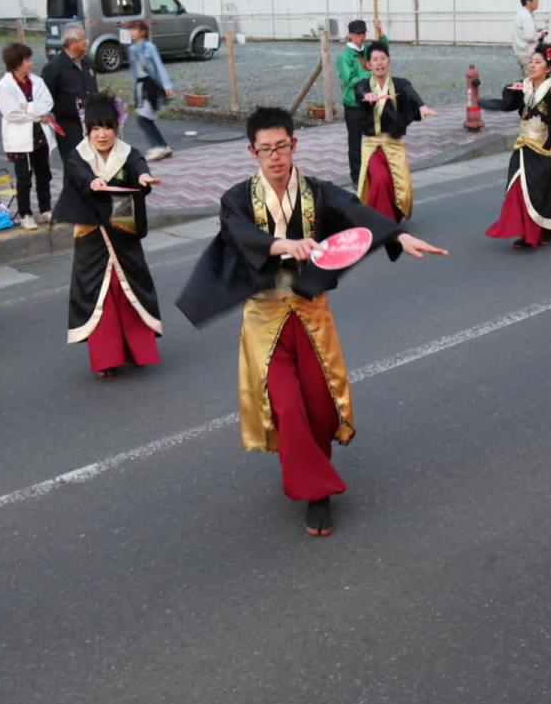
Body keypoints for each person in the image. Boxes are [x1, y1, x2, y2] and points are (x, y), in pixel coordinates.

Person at [175, 107, 447, 538]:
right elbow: (240, 235)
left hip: (311, 311)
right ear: (252, 152)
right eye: (266, 150)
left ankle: (314, 470)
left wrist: (397, 235)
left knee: (320, 405)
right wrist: (282, 243)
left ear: (294, 145)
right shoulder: (236, 199)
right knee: (287, 406)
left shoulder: (317, 192)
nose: (275, 157)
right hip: (265, 318)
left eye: (282, 146)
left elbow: (355, 212)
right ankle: (316, 493)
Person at [53, 92, 163, 378]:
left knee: (129, 287)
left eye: (108, 127)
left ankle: (138, 351)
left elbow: (138, 165)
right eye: (96, 128)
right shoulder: (78, 156)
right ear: (87, 130)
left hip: (122, 221)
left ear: (117, 127)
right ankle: (107, 357)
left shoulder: (127, 153)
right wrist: (93, 181)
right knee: (99, 290)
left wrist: (142, 177)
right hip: (91, 229)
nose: (102, 135)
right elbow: (79, 176)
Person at [485, 42, 551, 250]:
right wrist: (512, 91)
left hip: (542, 147)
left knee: (540, 191)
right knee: (517, 185)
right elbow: (508, 104)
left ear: (548, 68)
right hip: (523, 144)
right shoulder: (525, 84)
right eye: (531, 61)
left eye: (538, 62)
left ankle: (545, 229)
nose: (532, 65)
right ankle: (525, 232)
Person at [353, 41, 435, 223]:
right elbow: (360, 92)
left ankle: (392, 215)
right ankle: (381, 222)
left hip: (394, 144)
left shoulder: (400, 85)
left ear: (390, 61)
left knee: (402, 190)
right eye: (375, 59)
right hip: (372, 145)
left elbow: (410, 92)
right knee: (380, 179)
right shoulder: (363, 85)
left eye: (383, 58)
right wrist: (367, 97)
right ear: (368, 65)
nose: (379, 63)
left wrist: (421, 106)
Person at [0, 42, 56, 232]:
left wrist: (28, 108)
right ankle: (25, 214)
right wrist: (37, 115)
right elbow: (11, 112)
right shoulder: (5, 85)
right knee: (24, 178)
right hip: (20, 140)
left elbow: (48, 103)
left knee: (44, 174)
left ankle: (45, 209)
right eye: (27, 60)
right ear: (16, 64)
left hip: (39, 136)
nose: (30, 63)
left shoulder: (36, 81)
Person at [41, 23, 98, 172]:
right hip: (69, 126)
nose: (86, 41)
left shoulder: (88, 63)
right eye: (82, 38)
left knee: (94, 165)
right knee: (75, 166)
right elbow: (45, 98)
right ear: (71, 43)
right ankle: (71, 195)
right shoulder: (54, 68)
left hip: (92, 123)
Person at [337, 19, 387, 186]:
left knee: (374, 139)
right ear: (350, 35)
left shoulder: (366, 51)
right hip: (353, 105)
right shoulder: (345, 57)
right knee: (355, 144)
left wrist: (380, 31)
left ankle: (374, 173)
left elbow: (382, 49)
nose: (362, 37)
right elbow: (349, 79)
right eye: (358, 34)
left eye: (364, 33)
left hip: (369, 103)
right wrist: (370, 73)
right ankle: (357, 178)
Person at [127, 19, 175, 161]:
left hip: (151, 86)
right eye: (131, 29)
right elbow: (134, 73)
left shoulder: (149, 47)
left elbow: (159, 67)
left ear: (142, 31)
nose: (132, 32)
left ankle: (158, 147)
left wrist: (167, 85)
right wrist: (135, 91)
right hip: (141, 88)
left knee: (143, 119)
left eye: (134, 29)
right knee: (146, 119)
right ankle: (163, 146)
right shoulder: (131, 49)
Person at [512, 0, 547, 76]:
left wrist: (535, 32)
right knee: (531, 80)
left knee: (530, 79)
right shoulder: (526, 16)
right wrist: (540, 34)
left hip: (521, 53)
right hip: (527, 54)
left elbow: (526, 33)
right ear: (528, 2)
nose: (538, 2)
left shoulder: (521, 14)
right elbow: (529, 37)